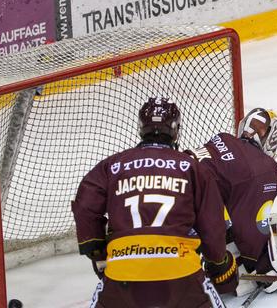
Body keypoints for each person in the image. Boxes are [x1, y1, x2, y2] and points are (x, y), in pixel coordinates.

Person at [71, 97, 238, 308]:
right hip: (181, 273)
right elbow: (212, 225)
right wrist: (219, 262)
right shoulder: (193, 168)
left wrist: (96, 250)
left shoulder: (112, 166)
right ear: (176, 131)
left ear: (141, 128)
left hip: (123, 273)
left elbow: (85, 207)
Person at [185, 107, 277, 294]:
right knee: (224, 225)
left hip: (166, 193)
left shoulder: (223, 138)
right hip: (190, 220)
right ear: (271, 139)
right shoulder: (266, 169)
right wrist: (261, 265)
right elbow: (250, 226)